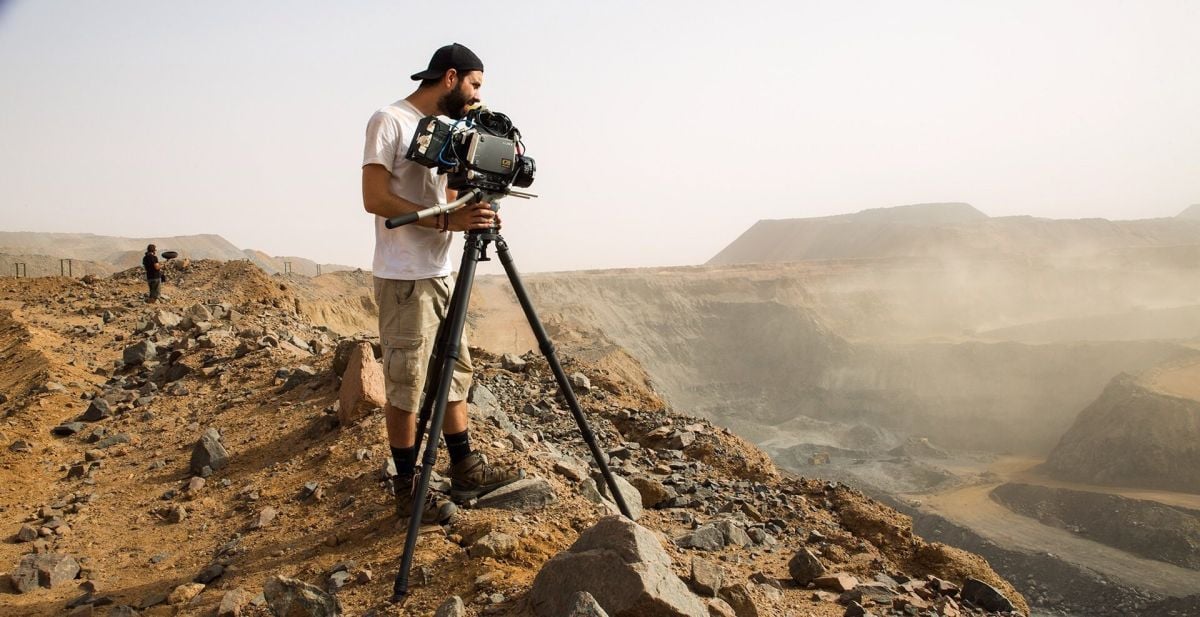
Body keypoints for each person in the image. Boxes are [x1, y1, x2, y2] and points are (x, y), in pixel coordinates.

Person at [361, 43, 523, 524]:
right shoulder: (388, 120)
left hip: (441, 272)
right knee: (407, 383)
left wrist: (478, 202)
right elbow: (373, 197)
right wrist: (447, 224)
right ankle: (408, 487)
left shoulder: (454, 129)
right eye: (474, 85)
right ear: (450, 77)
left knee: (455, 371)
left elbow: (450, 195)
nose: (477, 96)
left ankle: (464, 465)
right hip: (404, 276)